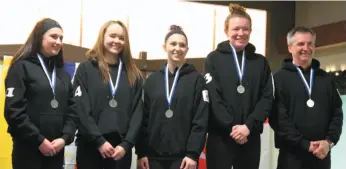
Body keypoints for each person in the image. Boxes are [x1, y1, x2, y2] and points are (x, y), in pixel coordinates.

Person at [203, 4, 274, 169]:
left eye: (245, 29)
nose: (240, 33)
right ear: (226, 31)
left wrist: (248, 126)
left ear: (250, 30)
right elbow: (214, 97)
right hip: (221, 137)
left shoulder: (260, 62)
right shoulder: (213, 59)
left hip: (250, 137)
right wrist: (233, 128)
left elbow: (267, 97)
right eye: (236, 29)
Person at [4, 18, 77, 169]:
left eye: (61, 38)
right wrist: (39, 140)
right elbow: (13, 111)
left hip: (56, 150)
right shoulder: (21, 67)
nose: (58, 42)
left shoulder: (62, 74)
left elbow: (73, 111)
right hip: (28, 150)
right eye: (53, 36)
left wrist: (64, 139)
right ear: (39, 37)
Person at [269, 26, 343, 169]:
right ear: (290, 47)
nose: (306, 48)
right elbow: (279, 118)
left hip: (321, 154)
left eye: (310, 44)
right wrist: (305, 144)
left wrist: (329, 142)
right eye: (301, 44)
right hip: (291, 156)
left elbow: (337, 114)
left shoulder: (326, 79)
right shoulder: (278, 79)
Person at [135, 25, 209, 169]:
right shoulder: (152, 80)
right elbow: (143, 118)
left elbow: (200, 120)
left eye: (182, 45)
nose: (177, 48)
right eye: (173, 44)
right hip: (152, 157)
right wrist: (141, 152)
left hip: (183, 159)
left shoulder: (196, 80)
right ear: (165, 47)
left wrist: (193, 154)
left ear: (187, 49)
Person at [73, 20, 143, 169]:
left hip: (120, 152)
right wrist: (99, 141)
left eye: (121, 38)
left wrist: (126, 144)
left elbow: (138, 113)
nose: (117, 41)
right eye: (113, 36)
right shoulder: (85, 70)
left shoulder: (133, 74)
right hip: (91, 148)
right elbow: (81, 110)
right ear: (102, 37)